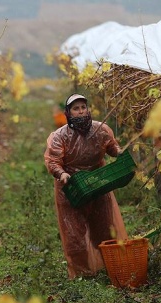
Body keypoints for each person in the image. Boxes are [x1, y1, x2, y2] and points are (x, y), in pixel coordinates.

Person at [44, 93, 128, 279]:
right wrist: (62, 173)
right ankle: (82, 275)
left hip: (98, 183)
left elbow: (111, 147)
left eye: (83, 107)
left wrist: (119, 153)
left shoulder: (101, 129)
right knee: (74, 234)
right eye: (76, 108)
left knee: (105, 227)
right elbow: (53, 160)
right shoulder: (60, 136)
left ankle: (111, 267)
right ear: (68, 113)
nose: (81, 112)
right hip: (71, 188)